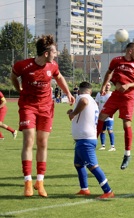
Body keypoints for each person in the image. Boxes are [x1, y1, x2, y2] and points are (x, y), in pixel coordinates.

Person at [10, 34, 75, 197]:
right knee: (29, 139)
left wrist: (68, 93)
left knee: (42, 142)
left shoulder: (52, 66)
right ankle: (28, 182)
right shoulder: (23, 65)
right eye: (54, 52)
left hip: (46, 107)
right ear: (46, 53)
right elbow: (13, 76)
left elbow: (59, 78)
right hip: (28, 106)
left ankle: (40, 181)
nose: (56, 54)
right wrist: (19, 90)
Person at [96, 42, 134, 170]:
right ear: (129, 51)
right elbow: (109, 73)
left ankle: (127, 154)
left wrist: (128, 85)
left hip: (128, 97)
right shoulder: (116, 61)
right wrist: (104, 86)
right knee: (101, 116)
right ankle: (92, 144)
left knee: (126, 124)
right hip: (116, 95)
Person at [67, 82, 114, 199]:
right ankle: (84, 189)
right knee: (78, 164)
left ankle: (108, 191)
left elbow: (83, 102)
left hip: (85, 139)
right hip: (83, 139)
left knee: (93, 166)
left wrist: (73, 113)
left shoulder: (83, 97)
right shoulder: (93, 101)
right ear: (91, 91)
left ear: (79, 91)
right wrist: (73, 113)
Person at [95, 82, 115, 151]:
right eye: (106, 85)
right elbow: (96, 104)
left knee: (110, 130)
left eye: (108, 85)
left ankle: (112, 146)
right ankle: (103, 145)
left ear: (110, 86)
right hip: (101, 116)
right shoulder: (99, 94)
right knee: (102, 131)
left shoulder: (112, 94)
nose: (107, 86)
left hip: (109, 116)